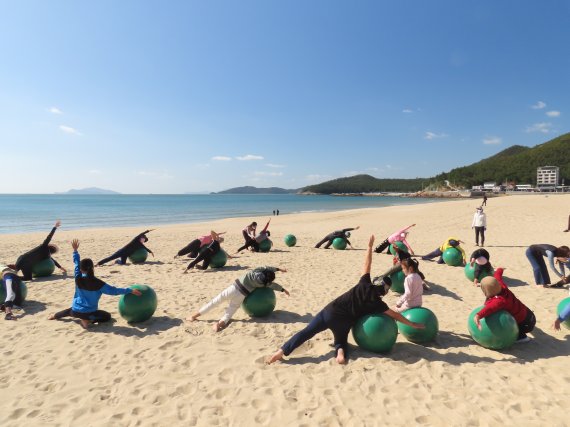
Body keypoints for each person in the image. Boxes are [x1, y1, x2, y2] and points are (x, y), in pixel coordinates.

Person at [266, 235, 424, 365]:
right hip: (345, 322)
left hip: (330, 312)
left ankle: (281, 352)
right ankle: (340, 355)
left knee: (306, 332)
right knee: (341, 341)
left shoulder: (364, 284)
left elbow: (367, 264)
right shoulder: (378, 303)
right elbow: (394, 315)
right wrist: (412, 324)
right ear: (384, 291)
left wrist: (369, 247)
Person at [48, 239, 141, 329]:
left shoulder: (78, 277)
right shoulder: (99, 283)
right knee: (107, 316)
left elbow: (76, 263)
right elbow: (114, 291)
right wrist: (130, 290)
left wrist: (75, 251)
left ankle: (54, 316)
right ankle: (87, 320)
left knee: (67, 311)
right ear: (92, 268)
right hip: (89, 312)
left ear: (81, 270)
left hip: (75, 311)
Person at [187, 266, 289, 331]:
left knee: (215, 302)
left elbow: (267, 267)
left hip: (233, 288)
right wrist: (283, 289)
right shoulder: (264, 284)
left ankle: (194, 316)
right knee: (230, 311)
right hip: (242, 294)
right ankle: (219, 324)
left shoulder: (255, 271)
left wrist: (279, 269)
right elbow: (274, 285)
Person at [473, 268, 535, 343]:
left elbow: (490, 308)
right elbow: (497, 276)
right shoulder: (501, 286)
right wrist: (500, 269)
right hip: (528, 314)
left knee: (513, 332)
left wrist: (478, 316)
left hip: (525, 324)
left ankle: (522, 337)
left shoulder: (499, 301)